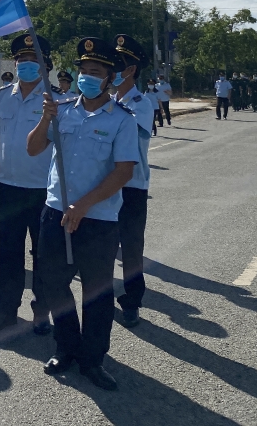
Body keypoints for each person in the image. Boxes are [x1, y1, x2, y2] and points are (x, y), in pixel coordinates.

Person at [27, 37, 138, 392]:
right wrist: (45, 120)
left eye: (95, 72)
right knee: (54, 284)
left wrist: (85, 204)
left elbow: (123, 171)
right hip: (56, 212)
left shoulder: (122, 120)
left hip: (98, 219)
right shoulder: (62, 109)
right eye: (83, 71)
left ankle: (93, 359)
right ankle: (66, 348)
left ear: (109, 79)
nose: (87, 77)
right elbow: (33, 149)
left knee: (96, 291)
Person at [0, 34, 56, 332]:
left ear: (44, 65)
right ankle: (5, 310)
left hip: (44, 192)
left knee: (44, 255)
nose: (26, 65)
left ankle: (41, 311)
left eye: (32, 60)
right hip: (9, 188)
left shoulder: (56, 100)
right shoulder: (2, 96)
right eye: (21, 60)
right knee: (8, 251)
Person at [112, 35, 155, 328]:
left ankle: (132, 300)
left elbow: (130, 133)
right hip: (105, 186)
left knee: (130, 248)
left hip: (132, 186)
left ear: (131, 70)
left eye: (118, 65)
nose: (112, 71)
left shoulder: (142, 103)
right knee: (101, 246)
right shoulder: (110, 100)